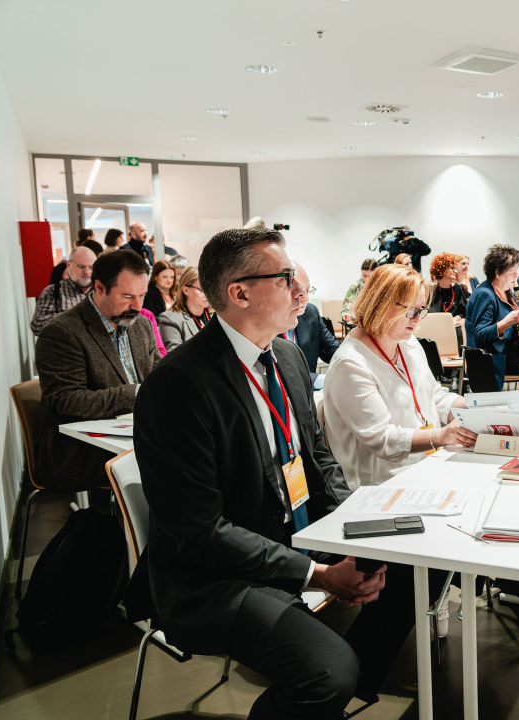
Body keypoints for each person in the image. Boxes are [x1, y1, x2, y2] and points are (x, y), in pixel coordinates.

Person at [132, 226, 447, 716]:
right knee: (326, 673)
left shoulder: (287, 356)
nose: (302, 293)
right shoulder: (178, 385)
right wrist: (317, 573)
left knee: (416, 554)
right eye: (284, 280)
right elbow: (199, 532)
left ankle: (340, 688)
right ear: (239, 293)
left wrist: (357, 527)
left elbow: (317, 459)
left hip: (291, 536)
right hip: (214, 577)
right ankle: (331, 681)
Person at [324, 263, 476, 489]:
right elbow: (382, 439)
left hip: (424, 466)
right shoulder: (351, 364)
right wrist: (442, 436)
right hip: (378, 484)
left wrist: (475, 407)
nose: (417, 319)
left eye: (421, 309)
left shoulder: (407, 342)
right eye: (411, 310)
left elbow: (433, 396)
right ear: (382, 305)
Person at [35, 249, 159, 493]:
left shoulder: (141, 324)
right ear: (100, 287)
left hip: (135, 432)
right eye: (127, 296)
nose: (137, 305)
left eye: (142, 295)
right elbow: (67, 401)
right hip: (81, 449)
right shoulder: (62, 332)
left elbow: (155, 374)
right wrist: (136, 394)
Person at [466, 244, 519, 388]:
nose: (516, 276)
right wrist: (506, 323)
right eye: (512, 272)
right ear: (497, 273)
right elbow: (479, 336)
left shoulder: (506, 291)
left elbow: (515, 323)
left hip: (510, 353)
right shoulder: (484, 294)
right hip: (492, 361)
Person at [287, 263, 340, 376]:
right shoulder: (267, 322)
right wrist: (325, 380)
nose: (306, 299)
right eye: (299, 294)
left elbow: (333, 352)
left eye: (307, 291)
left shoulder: (311, 313)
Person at [31, 245, 97, 336]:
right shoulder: (53, 291)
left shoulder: (102, 293)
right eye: (81, 267)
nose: (87, 272)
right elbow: (37, 326)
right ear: (69, 265)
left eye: (91, 267)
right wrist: (74, 318)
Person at [158, 267, 211, 354]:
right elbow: (175, 357)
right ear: (185, 290)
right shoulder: (170, 319)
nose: (207, 294)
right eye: (201, 289)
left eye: (209, 289)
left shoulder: (218, 315)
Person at [427, 252, 469, 323]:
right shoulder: (432, 291)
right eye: (452, 268)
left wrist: (456, 318)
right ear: (442, 269)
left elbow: (464, 312)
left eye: (455, 268)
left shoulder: (459, 289)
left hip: (455, 329)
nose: (455, 271)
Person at [341, 259, 379, 326]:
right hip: (356, 326)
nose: (366, 279)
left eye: (370, 276)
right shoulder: (355, 287)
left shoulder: (380, 287)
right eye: (364, 276)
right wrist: (346, 316)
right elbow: (345, 309)